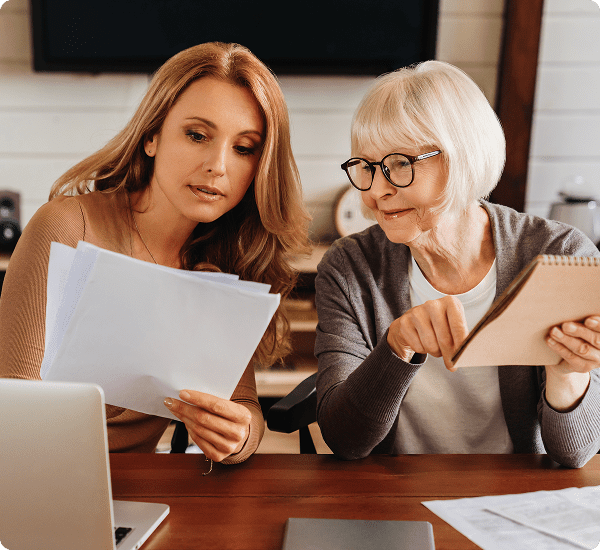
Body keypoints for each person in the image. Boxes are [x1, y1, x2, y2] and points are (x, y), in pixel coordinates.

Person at [0, 42, 310, 464]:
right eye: (197, 135)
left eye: (244, 148)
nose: (218, 165)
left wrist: (236, 436)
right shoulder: (68, 227)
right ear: (151, 136)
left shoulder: (224, 257)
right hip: (33, 479)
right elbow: (15, 410)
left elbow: (246, 409)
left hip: (134, 490)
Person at [314, 60, 600, 468]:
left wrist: (567, 373)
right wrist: (396, 348)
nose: (376, 192)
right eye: (367, 167)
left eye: (400, 164)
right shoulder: (349, 267)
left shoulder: (562, 255)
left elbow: (573, 454)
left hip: (513, 497)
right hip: (394, 495)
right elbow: (345, 440)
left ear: (462, 157)